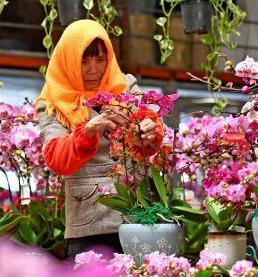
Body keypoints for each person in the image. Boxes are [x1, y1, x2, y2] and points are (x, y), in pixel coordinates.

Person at [36, 20, 163, 258]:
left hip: (138, 215)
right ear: (69, 60)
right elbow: (56, 159)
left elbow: (148, 124)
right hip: (90, 223)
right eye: (83, 61)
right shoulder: (52, 103)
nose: (93, 69)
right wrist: (86, 131)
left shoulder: (125, 86)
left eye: (100, 59)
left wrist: (149, 128)